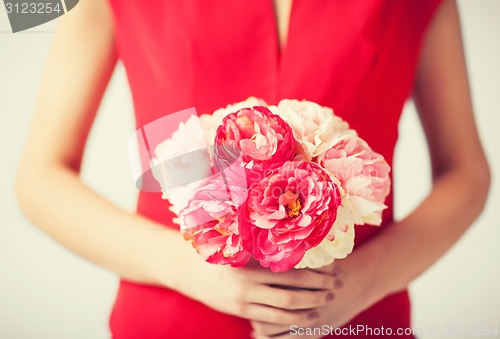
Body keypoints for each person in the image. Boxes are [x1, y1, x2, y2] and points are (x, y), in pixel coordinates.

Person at [16, 0, 490, 338]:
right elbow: (41, 176)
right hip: (172, 317)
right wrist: (186, 267)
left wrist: (358, 284)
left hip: (357, 317)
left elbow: (465, 171)